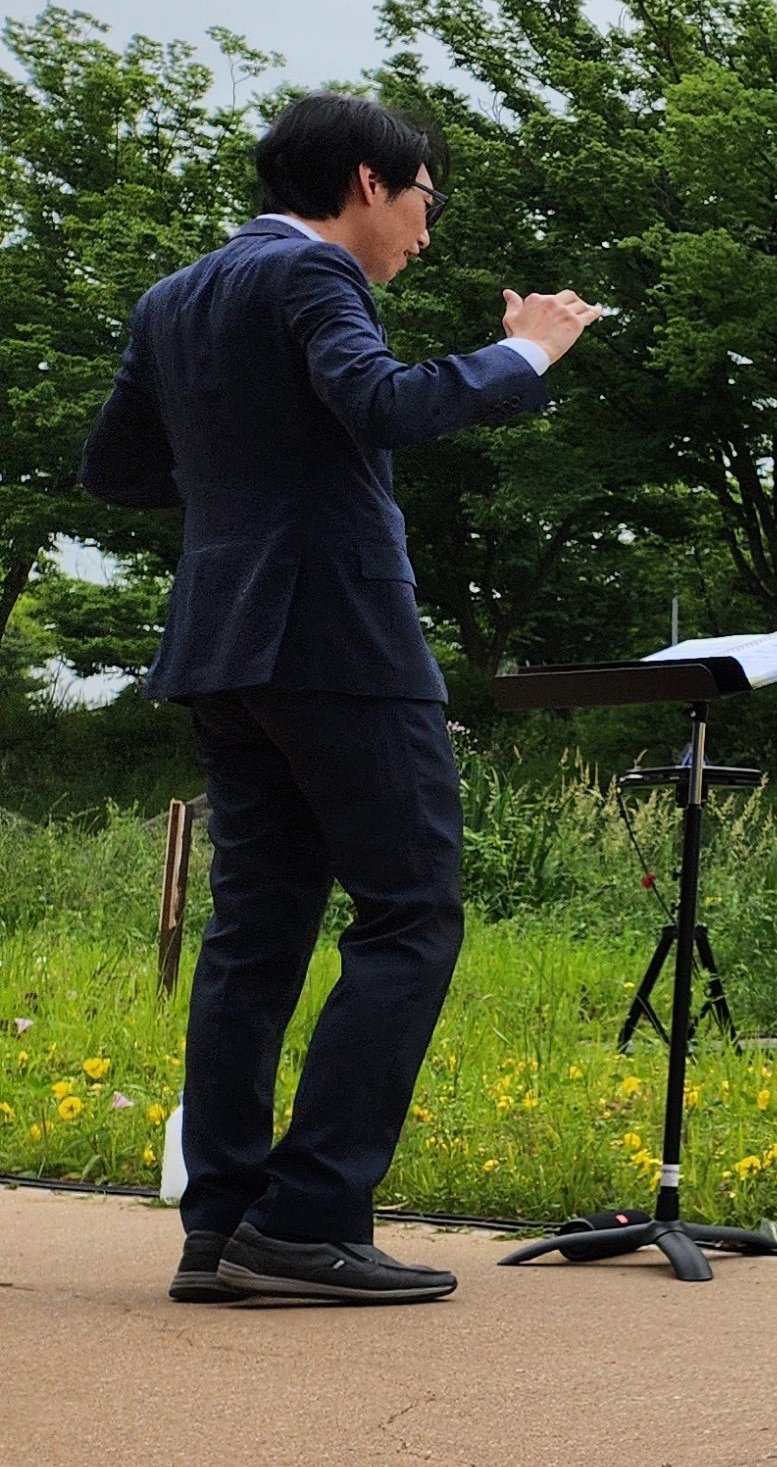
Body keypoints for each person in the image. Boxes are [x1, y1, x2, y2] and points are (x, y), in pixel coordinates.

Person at [81, 93, 601, 1306]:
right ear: (371, 181)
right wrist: (527, 351)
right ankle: (309, 1214)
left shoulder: (174, 297)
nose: (424, 231)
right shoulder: (314, 276)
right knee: (411, 910)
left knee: (254, 937)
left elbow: (111, 468)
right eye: (425, 201)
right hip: (338, 638)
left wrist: (243, 494)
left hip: (220, 645)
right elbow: (382, 404)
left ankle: (218, 1229)